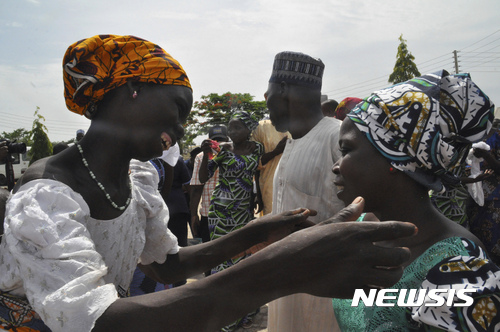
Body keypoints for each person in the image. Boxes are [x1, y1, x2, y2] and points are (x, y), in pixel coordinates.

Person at [0, 35, 417, 332]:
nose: (180, 129)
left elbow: (167, 264)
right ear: (130, 89)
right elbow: (98, 322)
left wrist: (258, 232)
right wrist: (280, 269)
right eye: (178, 108)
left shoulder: (135, 177)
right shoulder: (46, 196)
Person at [331, 70, 500, 331]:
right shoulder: (361, 228)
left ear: (395, 159)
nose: (336, 165)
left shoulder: (461, 270)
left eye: (346, 150)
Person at [265, 51, 345, 332]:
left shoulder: (338, 137)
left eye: (267, 95)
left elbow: (369, 216)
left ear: (283, 90)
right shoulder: (290, 143)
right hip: (285, 287)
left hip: (326, 296)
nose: (267, 104)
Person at [198, 111, 264, 331]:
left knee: (244, 259)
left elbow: (257, 175)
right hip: (221, 212)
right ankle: (225, 316)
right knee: (223, 259)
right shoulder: (224, 149)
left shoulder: (258, 149)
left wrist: (260, 199)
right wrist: (206, 154)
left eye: (237, 128)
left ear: (249, 130)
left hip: (244, 212)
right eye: (230, 128)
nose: (232, 132)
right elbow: (203, 177)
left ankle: (244, 309)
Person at [189, 125, 228, 252]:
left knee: (215, 253)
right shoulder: (201, 157)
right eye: (216, 141)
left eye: (221, 140)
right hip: (220, 212)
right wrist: (194, 215)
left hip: (218, 213)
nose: (219, 144)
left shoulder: (201, 156)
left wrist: (194, 215)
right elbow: (197, 186)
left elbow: (196, 189)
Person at [469, 121, 500, 264]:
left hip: (495, 199)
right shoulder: (479, 131)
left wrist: (486, 156)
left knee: (491, 241)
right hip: (475, 192)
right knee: (474, 236)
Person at [252, 119, 288, 215]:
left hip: (295, 186)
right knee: (273, 223)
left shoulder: (300, 124)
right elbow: (253, 162)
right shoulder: (261, 127)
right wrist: (275, 152)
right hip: (270, 189)